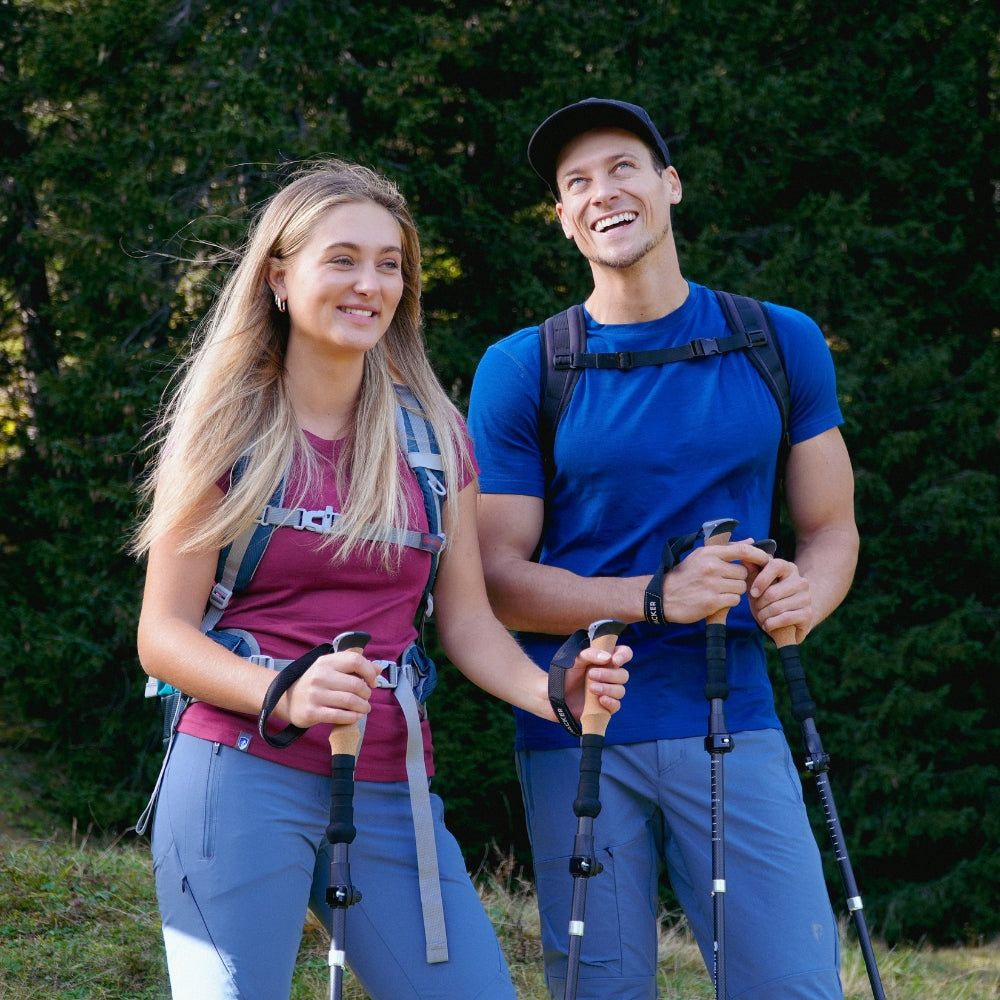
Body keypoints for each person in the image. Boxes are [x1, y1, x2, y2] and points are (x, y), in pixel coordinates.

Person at [130, 157, 631, 1000]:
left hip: (392, 784)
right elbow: (162, 635)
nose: (371, 284)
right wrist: (285, 692)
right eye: (344, 259)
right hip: (239, 770)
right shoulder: (222, 430)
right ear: (280, 279)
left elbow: (467, 624)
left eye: (390, 263)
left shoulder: (436, 436)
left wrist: (556, 691)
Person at [467, 98, 859, 1000]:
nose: (603, 192)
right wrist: (657, 598)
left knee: (793, 987)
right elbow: (498, 582)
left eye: (623, 167)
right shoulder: (526, 366)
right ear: (564, 220)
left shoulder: (778, 340)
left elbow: (830, 530)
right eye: (577, 184)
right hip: (581, 723)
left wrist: (812, 594)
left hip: (738, 716)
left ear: (669, 185)